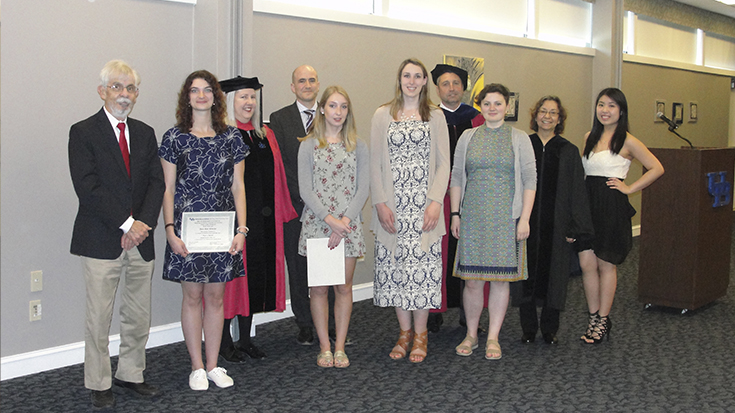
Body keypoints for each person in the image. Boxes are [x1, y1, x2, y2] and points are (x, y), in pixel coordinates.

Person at [69, 59, 164, 409]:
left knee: (138, 314)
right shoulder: (83, 132)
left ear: (136, 94)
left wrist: (142, 225)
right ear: (102, 91)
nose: (124, 94)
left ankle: (131, 373)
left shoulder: (145, 132)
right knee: (99, 317)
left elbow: (156, 183)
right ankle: (98, 381)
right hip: (100, 238)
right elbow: (87, 187)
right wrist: (127, 224)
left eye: (130, 88)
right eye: (116, 87)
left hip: (141, 240)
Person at [159, 70, 248, 390]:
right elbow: (168, 189)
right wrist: (170, 230)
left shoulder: (232, 138)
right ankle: (196, 366)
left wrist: (242, 230)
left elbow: (239, 188)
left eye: (207, 90)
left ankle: (213, 365)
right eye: (194, 90)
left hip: (223, 231)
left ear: (215, 97)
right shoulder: (174, 138)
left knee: (216, 296)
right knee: (193, 296)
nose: (201, 95)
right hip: (187, 231)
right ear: (187, 97)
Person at [371, 58, 450, 363]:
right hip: (393, 208)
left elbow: (444, 164)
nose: (412, 81)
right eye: (407, 75)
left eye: (418, 76)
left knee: (422, 274)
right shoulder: (382, 115)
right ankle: (404, 334)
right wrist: (380, 203)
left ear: (425, 81)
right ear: (399, 79)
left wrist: (435, 202)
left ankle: (420, 334)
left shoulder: (436, 116)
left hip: (424, 209)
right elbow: (375, 164)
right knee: (396, 272)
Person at [450, 83, 536, 360]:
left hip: (506, 219)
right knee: (472, 281)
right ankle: (471, 335)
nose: (492, 108)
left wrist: (524, 219)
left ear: (507, 106)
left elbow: (530, 180)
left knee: (500, 281)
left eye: (498, 103)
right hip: (473, 218)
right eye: (487, 103)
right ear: (480, 106)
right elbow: (456, 176)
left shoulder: (519, 138)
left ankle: (493, 337)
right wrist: (455, 214)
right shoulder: (468, 137)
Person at [217, 76, 298, 362]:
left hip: (264, 220)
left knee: (253, 280)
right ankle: (223, 342)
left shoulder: (264, 134)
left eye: (252, 97)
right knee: (231, 283)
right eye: (243, 97)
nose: (249, 102)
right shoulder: (222, 135)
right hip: (234, 221)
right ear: (230, 101)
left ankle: (245, 339)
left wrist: (282, 211)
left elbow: (278, 175)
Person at [578, 88, 664, 344]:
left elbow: (657, 167)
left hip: (611, 206)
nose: (605, 110)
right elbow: (584, 174)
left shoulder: (628, 141)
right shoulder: (589, 137)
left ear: (621, 111)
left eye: (611, 105)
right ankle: (593, 316)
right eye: (601, 105)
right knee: (586, 264)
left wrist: (629, 188)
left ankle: (603, 319)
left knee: (606, 263)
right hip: (588, 204)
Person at [510, 96, 593, 345]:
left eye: (553, 113)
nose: (547, 116)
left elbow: (577, 190)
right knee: (524, 273)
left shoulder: (568, 151)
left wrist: (574, 226)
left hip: (557, 225)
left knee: (555, 275)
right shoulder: (523, 145)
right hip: (526, 221)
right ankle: (528, 329)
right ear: (535, 116)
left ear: (559, 119)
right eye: (543, 111)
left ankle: (549, 328)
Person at [297, 86, 369, 368]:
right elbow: (306, 189)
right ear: (322, 109)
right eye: (333, 106)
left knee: (344, 287)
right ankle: (324, 347)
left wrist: (344, 222)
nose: (338, 112)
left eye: (344, 106)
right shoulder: (308, 145)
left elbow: (363, 188)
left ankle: (339, 347)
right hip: (318, 225)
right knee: (318, 290)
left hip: (348, 227)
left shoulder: (358, 145)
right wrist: (330, 221)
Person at [428, 63, 482, 332]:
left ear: (463, 88)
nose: (451, 88)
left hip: (470, 196)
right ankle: (433, 311)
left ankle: (468, 312)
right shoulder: (428, 117)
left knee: (469, 253)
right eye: (445, 84)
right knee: (436, 252)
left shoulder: (477, 119)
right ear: (437, 89)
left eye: (456, 83)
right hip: (438, 196)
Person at [269, 65, 320, 346]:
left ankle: (329, 323)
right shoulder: (279, 119)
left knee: (325, 269)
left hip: (328, 211)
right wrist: (304, 196)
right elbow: (281, 165)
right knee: (298, 268)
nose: (307, 85)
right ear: (293, 87)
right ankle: (305, 324)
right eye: (302, 81)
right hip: (295, 206)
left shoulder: (332, 113)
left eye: (312, 80)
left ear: (318, 84)